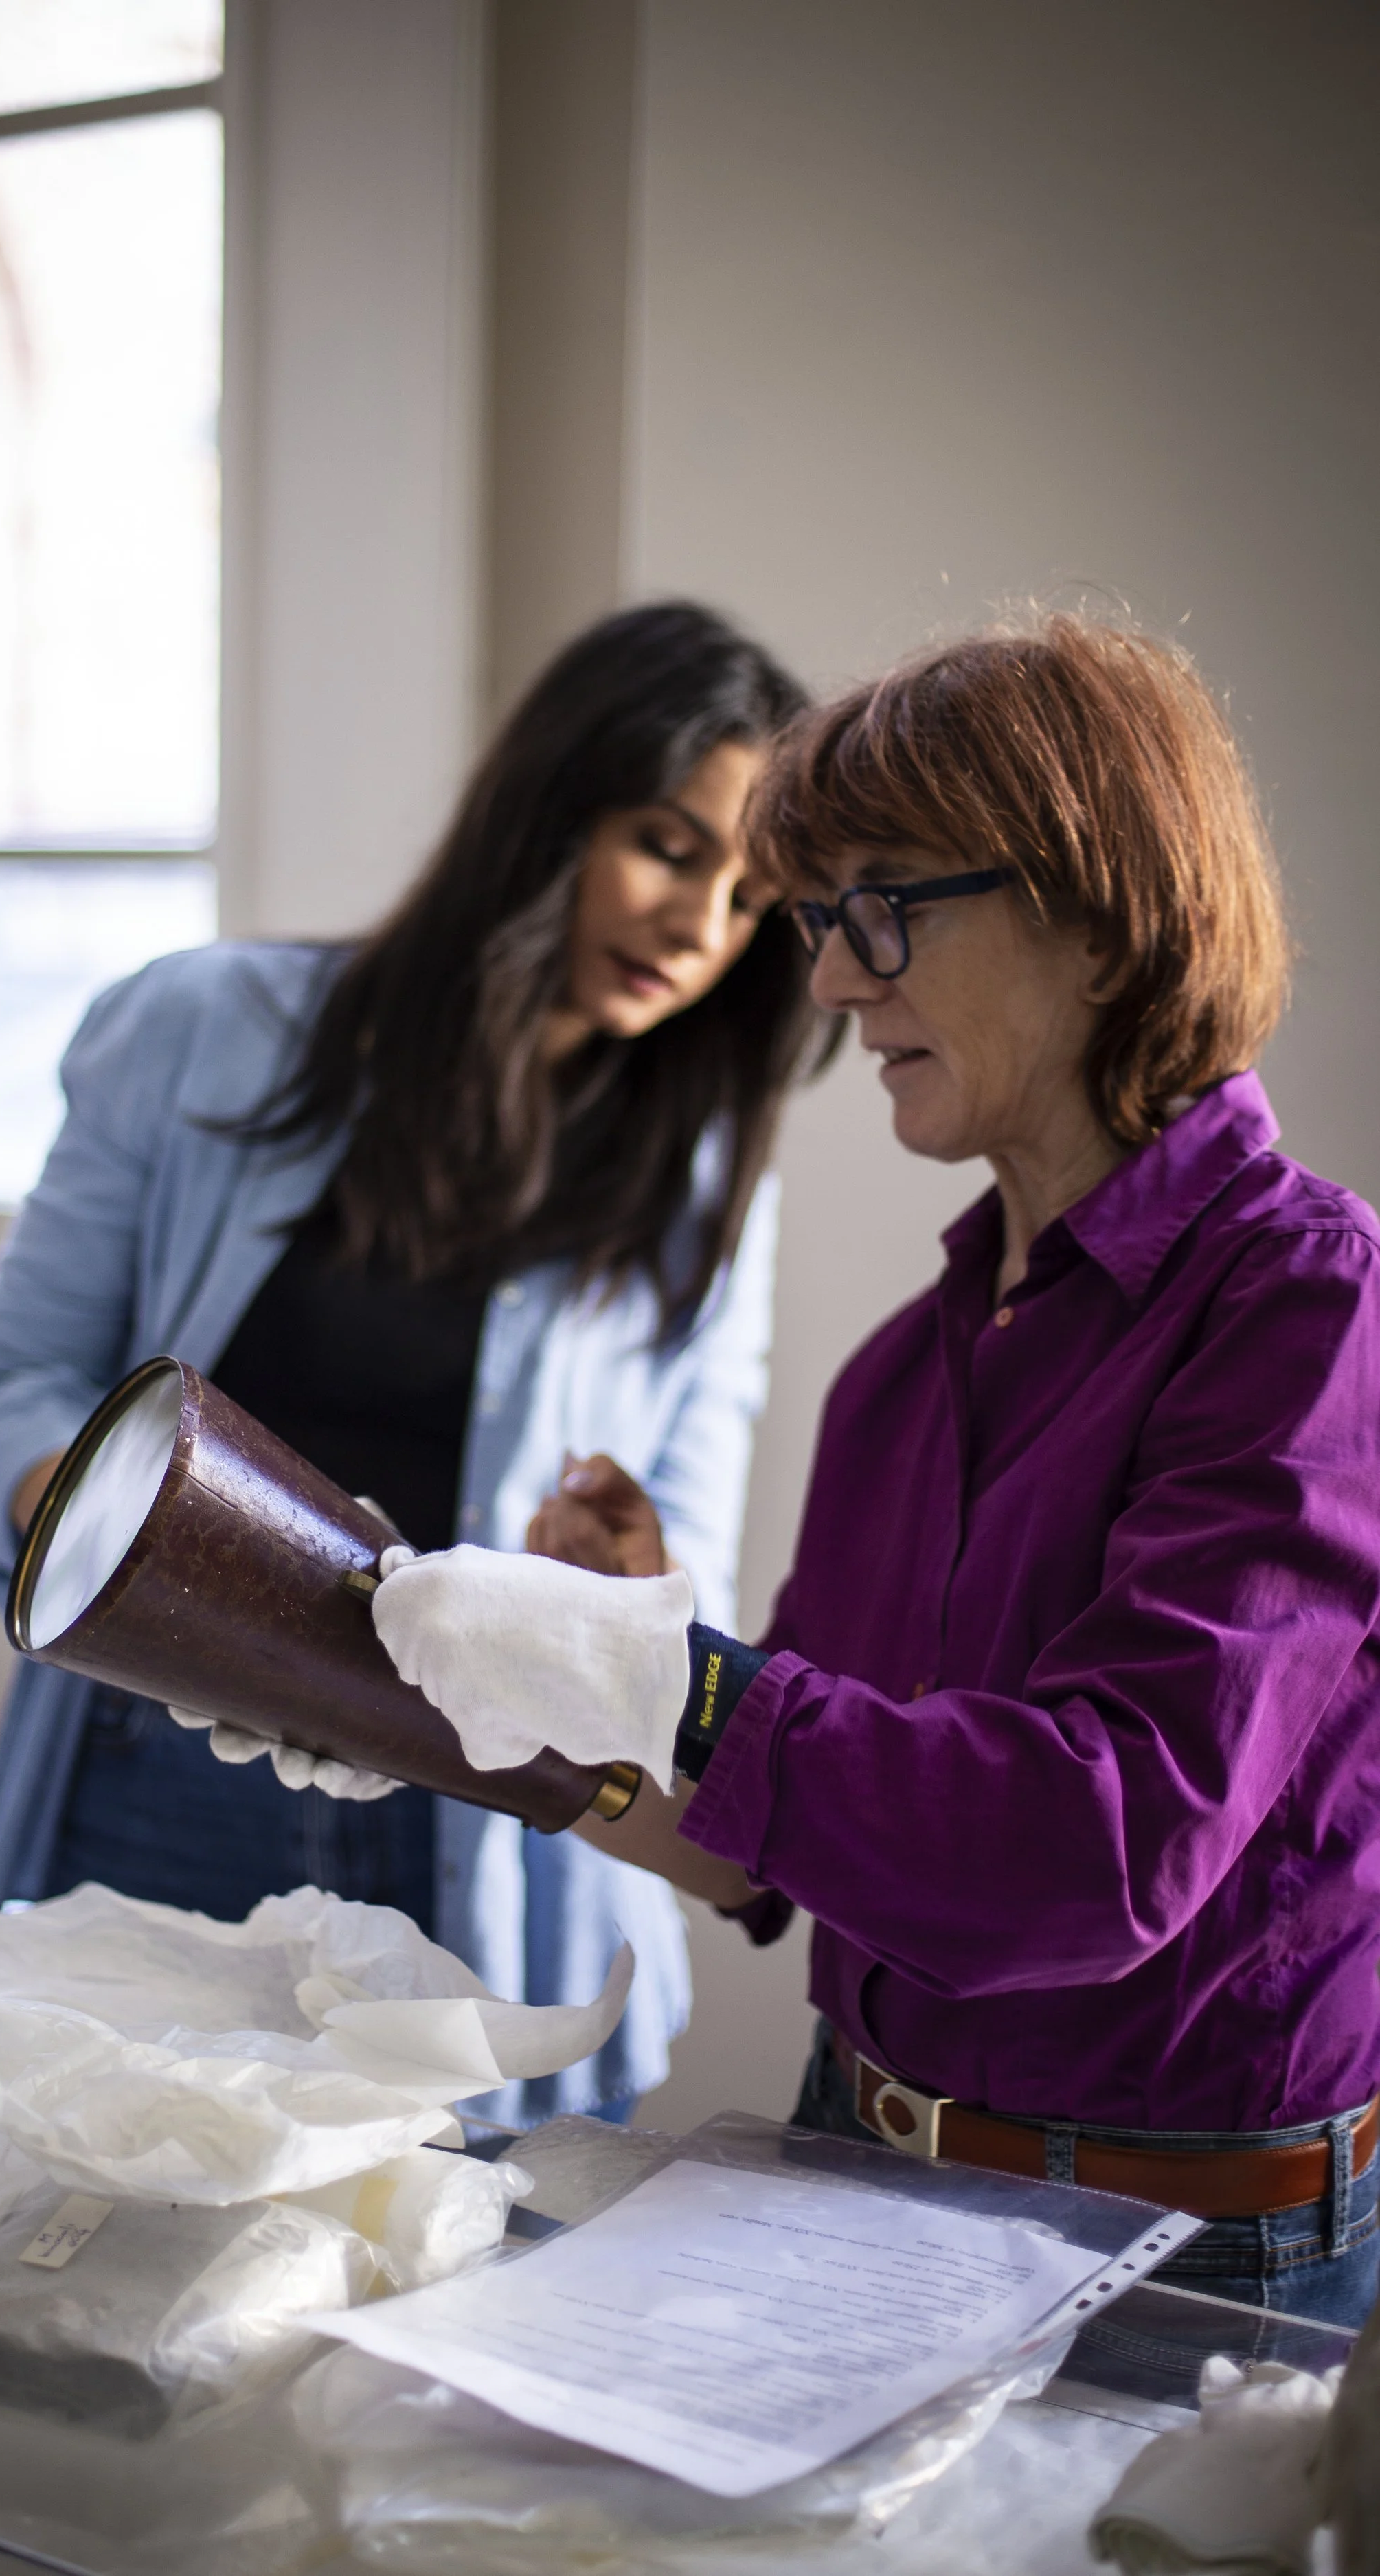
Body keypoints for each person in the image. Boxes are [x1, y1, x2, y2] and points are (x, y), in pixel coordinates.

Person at [372, 613, 1380, 2315]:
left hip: (1178, 2248)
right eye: (824, 922)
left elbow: (1100, 1841)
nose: (833, 981)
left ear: (1095, 909)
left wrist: (676, 1682)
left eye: (883, 910)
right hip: (853, 2147)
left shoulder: (1310, 1308)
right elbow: (769, 1851)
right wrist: (513, 1702)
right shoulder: (903, 1373)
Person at [0, 600, 830, 2125]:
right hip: (156, 1789)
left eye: (748, 899)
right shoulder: (198, 1030)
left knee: (422, 2303)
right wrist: (151, 1552)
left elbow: (693, 1584)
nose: (696, 930)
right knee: (80, 2271)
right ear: (544, 808)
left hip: (482, 1842)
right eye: (668, 847)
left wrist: (615, 1584)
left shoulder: (702, 1187)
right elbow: (9, 1404)